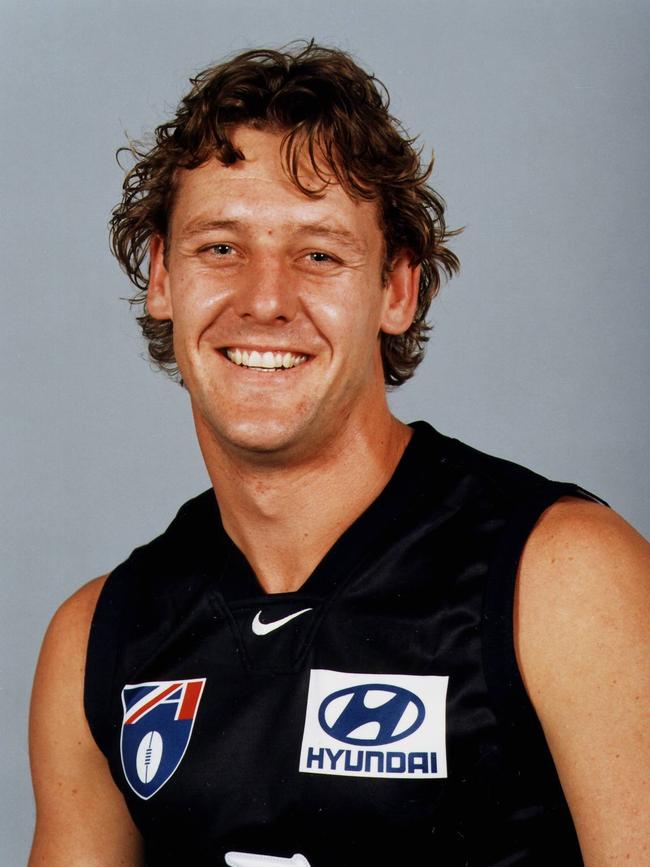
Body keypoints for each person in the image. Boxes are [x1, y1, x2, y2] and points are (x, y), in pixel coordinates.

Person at [29, 42, 648, 867]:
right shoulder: (98, 639)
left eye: (318, 254)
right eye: (221, 247)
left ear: (397, 289)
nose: (265, 299)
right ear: (162, 278)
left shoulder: (567, 579)